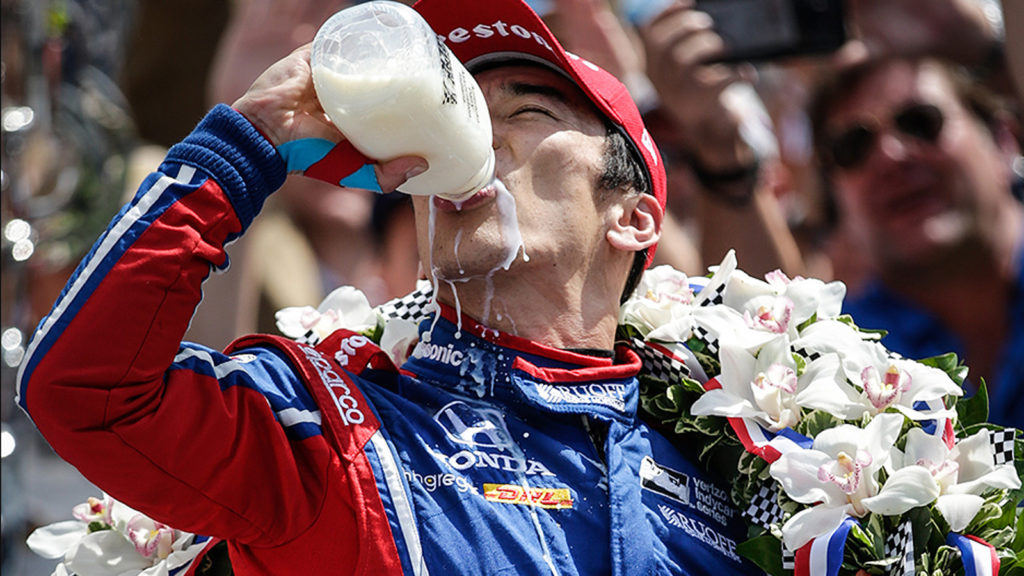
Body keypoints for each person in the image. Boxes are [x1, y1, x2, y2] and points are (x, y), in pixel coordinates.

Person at [16, 0, 764, 574]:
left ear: (632, 219)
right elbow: (86, 393)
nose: (474, 138)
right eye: (454, 110)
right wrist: (250, 137)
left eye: (527, 110)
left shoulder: (743, 464)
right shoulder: (326, 426)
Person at [808, 54, 1023, 430]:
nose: (890, 155)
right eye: (853, 146)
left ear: (1005, 140)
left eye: (919, 122)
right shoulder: (834, 359)